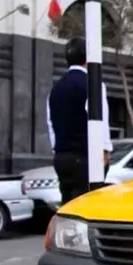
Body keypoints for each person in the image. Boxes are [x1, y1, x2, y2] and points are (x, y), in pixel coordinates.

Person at [47, 37, 112, 205]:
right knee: (86, 207)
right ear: (88, 58)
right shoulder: (94, 84)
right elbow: (100, 120)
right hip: (85, 157)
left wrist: (59, 151)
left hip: (62, 158)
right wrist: (105, 150)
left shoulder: (55, 88)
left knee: (67, 206)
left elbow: (51, 125)